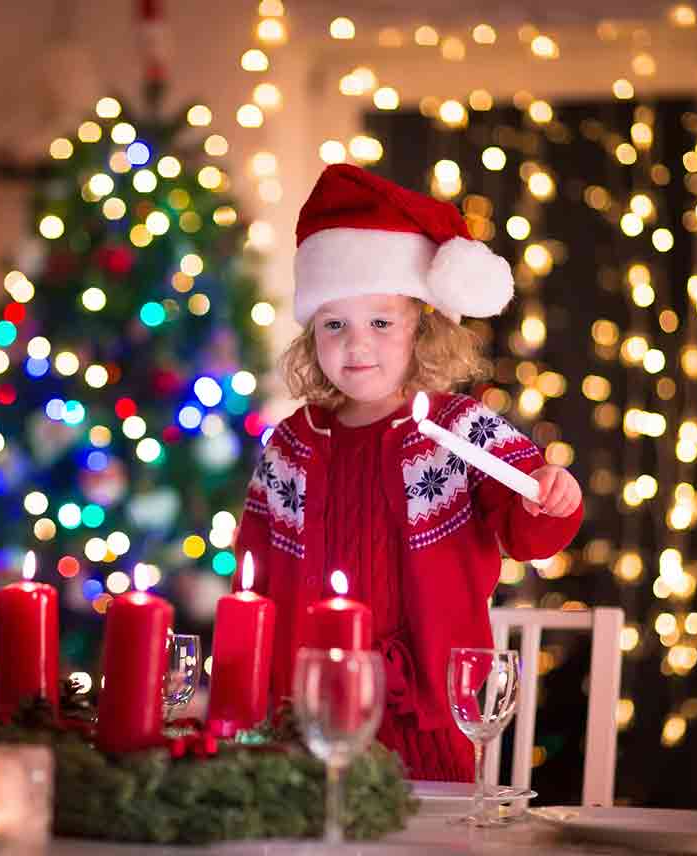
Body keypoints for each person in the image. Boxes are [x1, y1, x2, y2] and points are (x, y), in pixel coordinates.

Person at [234, 164, 583, 781]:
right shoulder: (290, 445)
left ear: (421, 329)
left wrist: (551, 498)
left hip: (426, 712)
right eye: (333, 324)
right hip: (304, 718)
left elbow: (529, 527)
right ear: (310, 335)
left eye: (380, 322)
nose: (355, 344)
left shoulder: (460, 431)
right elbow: (254, 573)